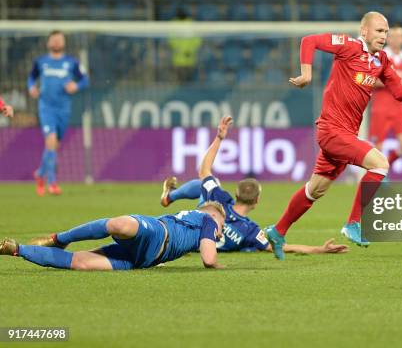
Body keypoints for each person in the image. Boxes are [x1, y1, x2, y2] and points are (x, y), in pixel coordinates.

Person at [264, 12, 402, 260]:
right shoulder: (348, 46)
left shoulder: (382, 61)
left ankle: (278, 231)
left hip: (346, 133)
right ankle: (354, 223)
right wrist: (306, 74)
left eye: (386, 32)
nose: (383, 36)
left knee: (315, 190)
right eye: (379, 31)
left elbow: (398, 92)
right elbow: (309, 41)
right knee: (380, 164)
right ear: (364, 31)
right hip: (331, 129)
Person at [161, 116, 349, 255]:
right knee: (209, 185)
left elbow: (204, 170)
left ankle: (171, 196)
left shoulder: (220, 200)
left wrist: (219, 138)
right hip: (204, 244)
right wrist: (320, 249)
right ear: (257, 200)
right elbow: (282, 247)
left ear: (236, 193)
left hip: (191, 234)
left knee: (209, 183)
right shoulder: (251, 230)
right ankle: (170, 196)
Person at [0, 201, 227, 270]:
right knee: (119, 225)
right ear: (214, 215)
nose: (220, 231)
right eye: (222, 223)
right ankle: (58, 239)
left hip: (144, 255)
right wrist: (218, 266)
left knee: (81, 262)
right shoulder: (207, 220)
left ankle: (18, 248)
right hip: (156, 236)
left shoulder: (190, 221)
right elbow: (209, 259)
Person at [28, 30, 89, 196]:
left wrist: (76, 86)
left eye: (59, 40)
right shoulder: (41, 62)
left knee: (54, 146)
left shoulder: (72, 62)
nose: (56, 42)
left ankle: (40, 174)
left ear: (63, 43)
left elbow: (85, 79)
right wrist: (31, 87)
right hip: (46, 107)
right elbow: (31, 78)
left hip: (64, 109)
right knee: (51, 140)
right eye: (53, 39)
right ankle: (52, 182)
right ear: (48, 43)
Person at [370, 24, 402, 167]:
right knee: (378, 149)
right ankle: (378, 175)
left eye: (400, 36)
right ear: (388, 39)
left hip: (399, 108)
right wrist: (393, 80)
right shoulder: (379, 56)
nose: (397, 39)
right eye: (393, 36)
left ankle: (384, 168)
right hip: (381, 107)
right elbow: (371, 81)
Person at [168, 8, 202, 83]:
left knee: (189, 77)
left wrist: (191, 50)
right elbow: (171, 39)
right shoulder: (173, 23)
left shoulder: (192, 23)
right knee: (179, 77)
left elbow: (197, 39)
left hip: (190, 55)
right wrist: (178, 49)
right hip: (178, 56)